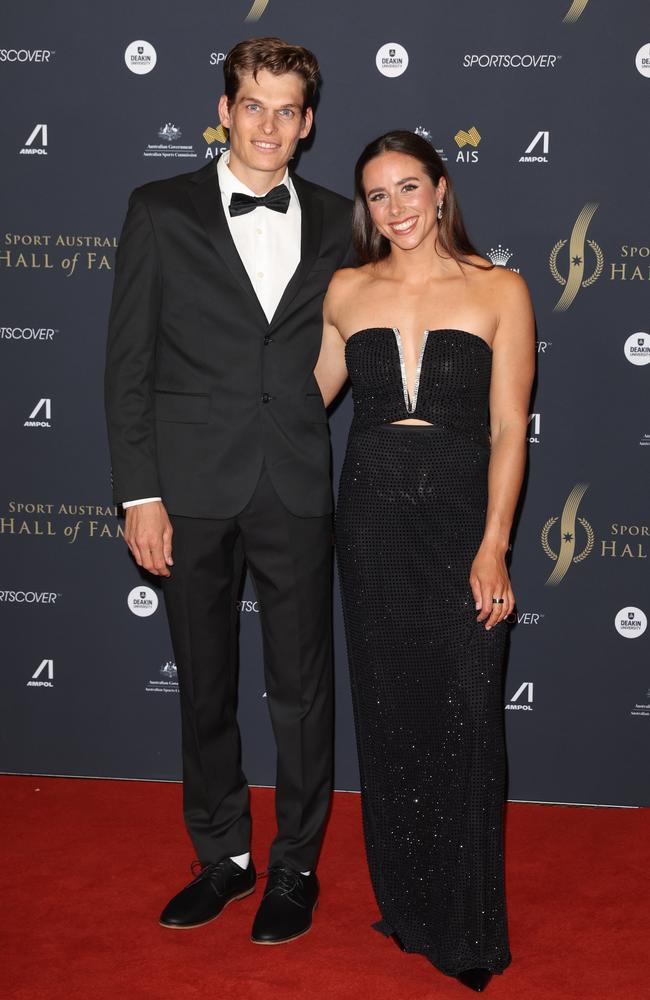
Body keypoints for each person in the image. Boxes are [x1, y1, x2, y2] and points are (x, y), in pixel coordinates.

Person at [105, 37, 353, 945]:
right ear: (223, 110)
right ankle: (222, 857)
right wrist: (139, 494)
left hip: (292, 478)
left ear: (309, 123)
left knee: (302, 689)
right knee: (205, 684)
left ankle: (294, 864)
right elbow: (126, 364)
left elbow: (357, 334)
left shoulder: (336, 218)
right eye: (254, 105)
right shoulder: (158, 209)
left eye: (289, 110)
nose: (270, 126)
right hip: (190, 487)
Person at [315, 131, 534, 992]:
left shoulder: (500, 289)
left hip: (458, 523)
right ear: (364, 208)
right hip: (369, 521)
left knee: (469, 719)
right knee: (392, 715)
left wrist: (495, 542)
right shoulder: (346, 289)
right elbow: (303, 404)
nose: (396, 208)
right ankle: (407, 902)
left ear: (442, 191)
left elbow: (511, 427)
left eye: (410, 188)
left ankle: (467, 923)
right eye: (378, 195)